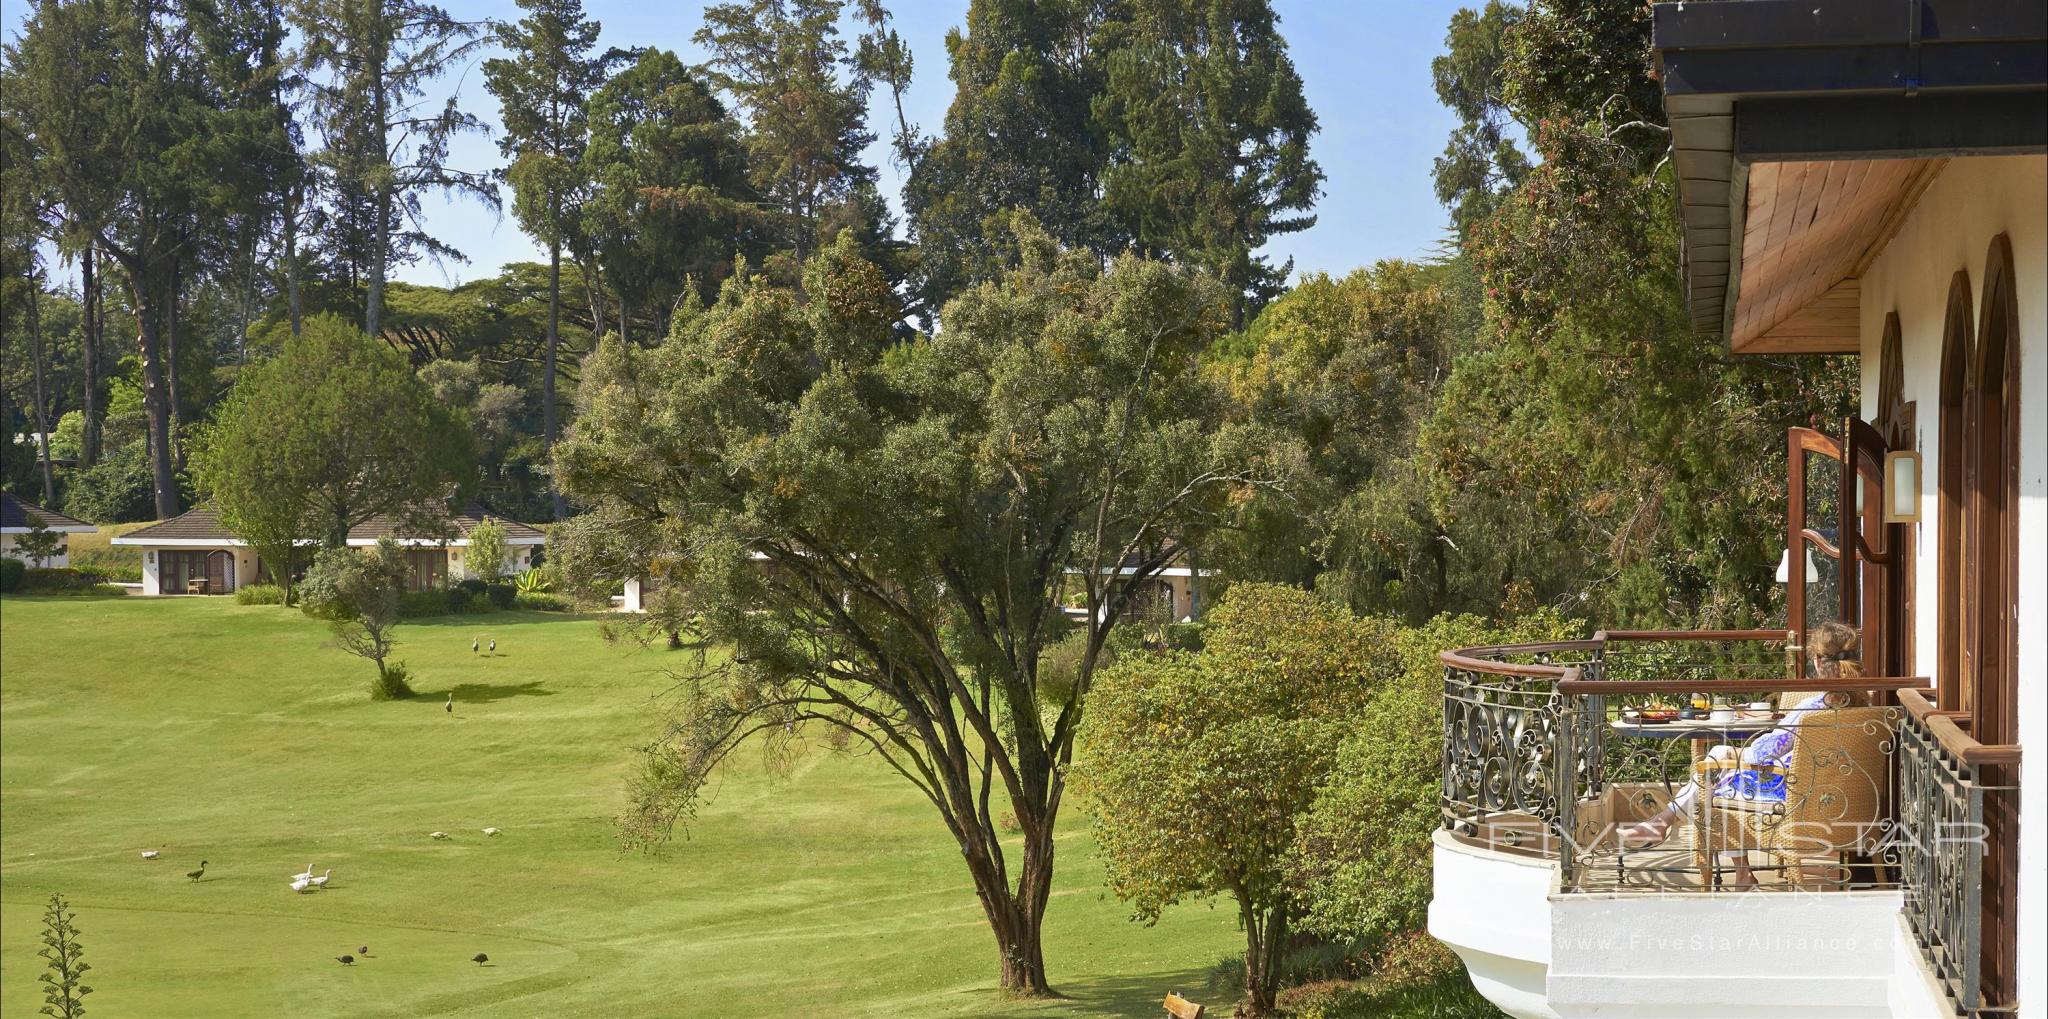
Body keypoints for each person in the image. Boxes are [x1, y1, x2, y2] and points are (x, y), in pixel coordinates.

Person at [1618, 623, 1866, 868]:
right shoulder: (1864, 704)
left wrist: (1753, 744)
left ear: (1818, 662)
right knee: (1718, 758)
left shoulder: (1812, 709)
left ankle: (1731, 866)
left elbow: (1761, 753)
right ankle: (1665, 822)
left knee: (1717, 779)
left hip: (1794, 792)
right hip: (1839, 795)